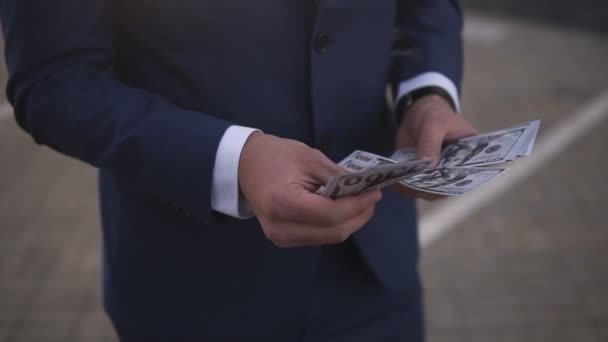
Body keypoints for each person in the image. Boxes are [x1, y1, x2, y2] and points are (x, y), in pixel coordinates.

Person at [0, 0, 478, 341]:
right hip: (193, 290)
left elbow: (424, 8)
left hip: (374, 278)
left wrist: (427, 93)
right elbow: (54, 79)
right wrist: (231, 158)